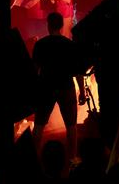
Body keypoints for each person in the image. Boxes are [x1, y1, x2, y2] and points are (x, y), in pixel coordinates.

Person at [32, 12, 86, 161]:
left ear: (48, 26)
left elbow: (34, 70)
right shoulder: (70, 45)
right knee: (71, 126)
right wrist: (82, 92)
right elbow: (78, 71)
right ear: (62, 26)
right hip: (66, 87)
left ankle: (34, 160)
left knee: (39, 125)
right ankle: (72, 160)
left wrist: (34, 90)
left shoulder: (40, 44)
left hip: (45, 87)